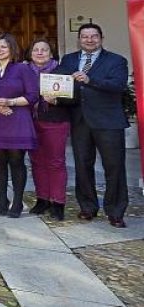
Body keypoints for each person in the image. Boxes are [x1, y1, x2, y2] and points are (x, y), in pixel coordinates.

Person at [54, 24, 130, 228]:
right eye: (85, 36)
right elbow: (59, 83)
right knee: (82, 165)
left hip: (108, 122)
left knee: (114, 167)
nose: (89, 40)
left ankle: (115, 211)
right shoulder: (69, 59)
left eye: (93, 36)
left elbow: (118, 86)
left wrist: (89, 79)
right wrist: (54, 96)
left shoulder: (117, 60)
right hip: (80, 121)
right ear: (79, 39)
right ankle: (87, 207)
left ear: (101, 38)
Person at [0, 33, 37, 217]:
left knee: (16, 161)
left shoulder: (23, 69)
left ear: (12, 48)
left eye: (3, 47)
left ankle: (17, 202)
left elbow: (33, 95)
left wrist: (10, 102)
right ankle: (3, 200)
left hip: (17, 120)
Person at [24, 39, 71, 220]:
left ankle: (58, 202)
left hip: (55, 121)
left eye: (44, 49)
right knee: (36, 162)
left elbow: (74, 97)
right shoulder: (24, 71)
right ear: (30, 53)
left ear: (51, 53)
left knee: (56, 162)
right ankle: (42, 199)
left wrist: (58, 100)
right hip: (30, 121)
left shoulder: (61, 70)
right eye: (36, 49)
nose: (40, 52)